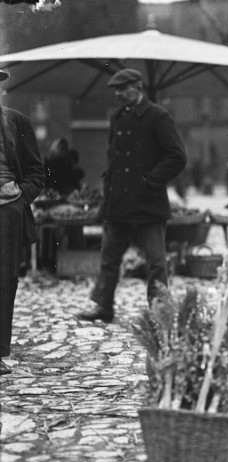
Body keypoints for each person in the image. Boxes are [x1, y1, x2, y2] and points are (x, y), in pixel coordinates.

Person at [75, 68, 187, 323]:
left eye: (123, 89)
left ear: (138, 88)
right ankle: (103, 307)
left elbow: (177, 157)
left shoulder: (158, 116)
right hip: (118, 204)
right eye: (115, 90)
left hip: (148, 204)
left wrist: (150, 181)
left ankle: (160, 312)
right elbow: (114, 158)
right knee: (109, 258)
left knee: (156, 262)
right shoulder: (117, 116)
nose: (118, 94)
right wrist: (108, 194)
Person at [1, 68, 45, 375]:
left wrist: (20, 198)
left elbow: (36, 173)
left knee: (4, 278)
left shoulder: (16, 122)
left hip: (7, 209)